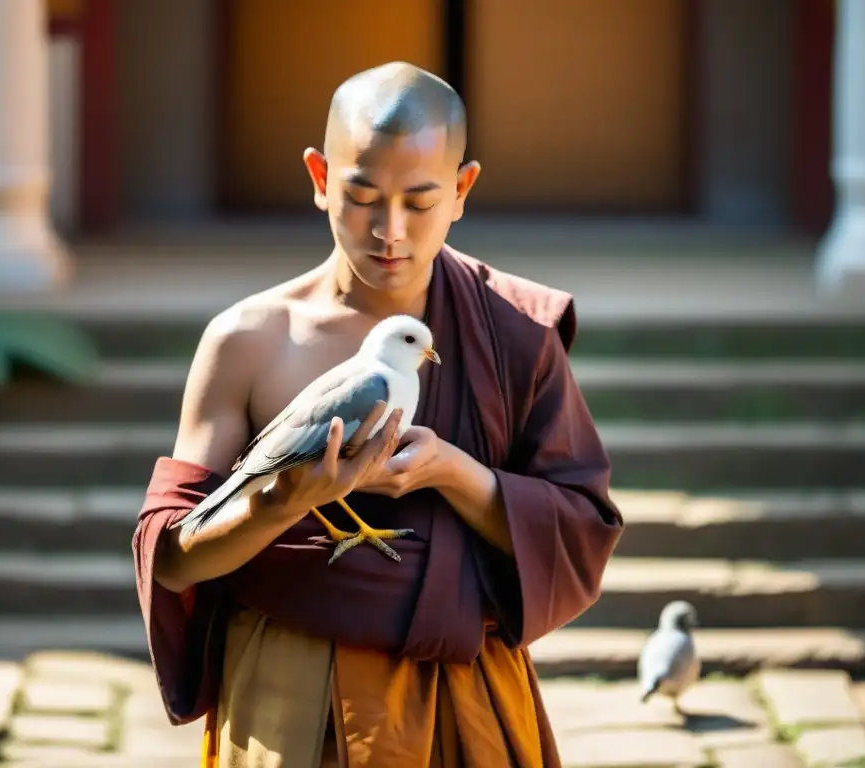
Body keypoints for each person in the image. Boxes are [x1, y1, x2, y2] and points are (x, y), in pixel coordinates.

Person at [133, 61, 624, 768]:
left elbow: (580, 530)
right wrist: (277, 505)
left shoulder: (514, 333)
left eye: (419, 203)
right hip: (286, 693)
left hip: (464, 696)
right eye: (361, 196)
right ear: (319, 178)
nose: (389, 232)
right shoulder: (248, 340)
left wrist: (453, 473)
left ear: (462, 190)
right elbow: (173, 560)